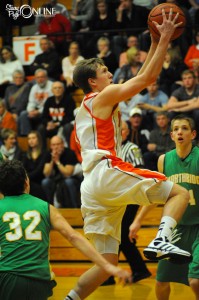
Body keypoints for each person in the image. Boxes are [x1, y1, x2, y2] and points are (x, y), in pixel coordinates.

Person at [64, 11, 192, 300]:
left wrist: (156, 41)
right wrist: (166, 40)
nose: (111, 74)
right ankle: (163, 239)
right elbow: (147, 78)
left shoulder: (87, 104)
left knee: (107, 264)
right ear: (93, 82)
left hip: (92, 189)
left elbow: (142, 74)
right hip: (106, 170)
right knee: (179, 194)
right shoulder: (102, 97)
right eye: (105, 72)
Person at [0, 159, 132, 300]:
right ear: (26, 182)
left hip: (8, 278)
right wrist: (108, 266)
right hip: (39, 280)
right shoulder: (46, 207)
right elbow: (73, 236)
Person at [129, 115, 199, 300]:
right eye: (176, 129)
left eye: (184, 128)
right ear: (171, 135)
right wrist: (137, 221)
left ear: (193, 134)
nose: (180, 132)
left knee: (195, 281)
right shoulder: (163, 160)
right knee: (160, 282)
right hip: (177, 229)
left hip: (198, 227)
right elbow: (158, 195)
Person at [102, 120, 151, 285]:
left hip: (130, 197)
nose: (118, 132)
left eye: (121, 129)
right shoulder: (111, 150)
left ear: (127, 132)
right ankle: (128, 271)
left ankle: (136, 270)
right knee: (115, 235)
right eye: (116, 129)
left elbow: (140, 171)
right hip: (115, 199)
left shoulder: (132, 148)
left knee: (121, 234)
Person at [42, 135, 80, 208]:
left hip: (71, 179)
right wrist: (52, 161)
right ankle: (50, 208)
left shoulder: (69, 153)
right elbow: (46, 173)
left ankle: (74, 208)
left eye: (58, 144)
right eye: (53, 145)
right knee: (45, 182)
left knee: (69, 182)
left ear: (62, 144)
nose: (56, 147)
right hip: (55, 179)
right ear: (50, 146)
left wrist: (57, 161)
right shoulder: (48, 154)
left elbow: (67, 173)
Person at [18, 69, 53, 136]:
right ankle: (28, 137)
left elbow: (50, 104)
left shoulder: (52, 86)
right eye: (38, 77)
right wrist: (30, 111)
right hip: (36, 111)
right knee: (23, 114)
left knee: (41, 125)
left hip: (47, 113)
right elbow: (31, 102)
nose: (40, 79)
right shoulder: (34, 88)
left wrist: (38, 112)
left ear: (46, 77)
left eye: (42, 77)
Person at [22, 131, 47, 200]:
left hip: (40, 180)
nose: (31, 141)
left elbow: (39, 170)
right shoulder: (25, 154)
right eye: (29, 139)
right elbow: (23, 169)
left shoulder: (44, 153)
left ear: (38, 139)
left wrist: (26, 178)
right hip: (28, 181)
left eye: (33, 138)